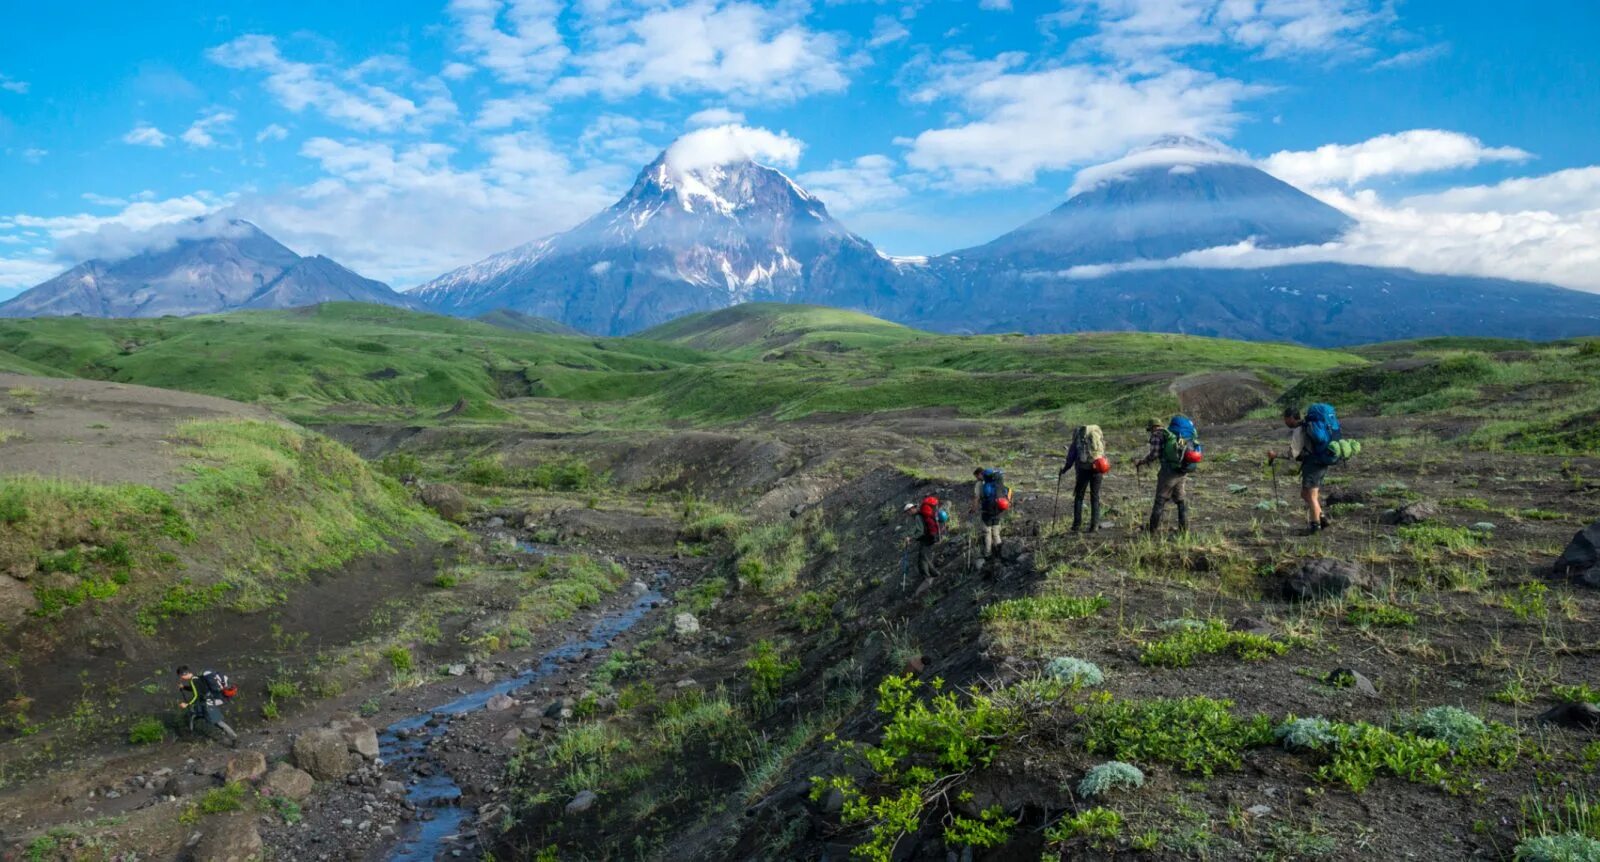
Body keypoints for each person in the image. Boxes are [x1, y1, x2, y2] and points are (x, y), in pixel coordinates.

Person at [1273, 406, 1331, 534]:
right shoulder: (1308, 426)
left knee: (1311, 495)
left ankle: (1315, 527)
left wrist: (1275, 455)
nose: (1285, 422)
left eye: (1286, 419)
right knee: (1305, 494)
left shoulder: (1300, 429)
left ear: (1291, 418)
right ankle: (1322, 518)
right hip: (1321, 462)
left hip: (1313, 464)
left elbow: (1292, 453)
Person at [1135, 417, 1196, 534]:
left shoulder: (1157, 435)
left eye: (1150, 429)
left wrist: (1142, 461)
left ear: (1153, 427)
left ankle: (1152, 530)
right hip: (1181, 470)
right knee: (1180, 500)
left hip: (1168, 472)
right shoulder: (1173, 435)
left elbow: (1154, 454)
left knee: (1160, 499)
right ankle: (1184, 529)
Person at [1059, 424, 1106, 532]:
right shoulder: (1096, 435)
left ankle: (1076, 525)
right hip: (1097, 468)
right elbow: (1102, 453)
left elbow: (1071, 457)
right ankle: (1094, 525)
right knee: (1095, 497)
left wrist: (1064, 470)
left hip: (1084, 469)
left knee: (1079, 496)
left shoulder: (1078, 439)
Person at [177, 665, 238, 745]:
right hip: (207, 702)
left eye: (181, 676)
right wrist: (184, 687)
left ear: (184, 674)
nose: (181, 679)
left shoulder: (193, 681)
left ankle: (233, 737)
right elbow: (197, 689)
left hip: (207, 704)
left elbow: (196, 695)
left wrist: (187, 704)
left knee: (217, 722)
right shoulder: (197, 678)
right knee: (194, 716)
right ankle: (191, 735)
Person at [902, 496, 945, 582]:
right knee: (924, 556)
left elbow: (920, 531)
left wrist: (911, 538)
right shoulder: (921, 514)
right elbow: (918, 528)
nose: (908, 514)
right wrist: (910, 535)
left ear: (911, 509)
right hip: (931, 536)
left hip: (928, 538)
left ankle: (927, 577)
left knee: (922, 557)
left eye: (908, 512)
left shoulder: (918, 516)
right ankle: (934, 573)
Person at [972, 468, 1010, 560]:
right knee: (996, 532)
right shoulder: (997, 483)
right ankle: (999, 552)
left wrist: (974, 508)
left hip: (987, 510)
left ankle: (988, 554)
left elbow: (977, 498)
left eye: (977, 476)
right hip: (998, 509)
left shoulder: (982, 485)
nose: (977, 478)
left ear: (980, 474)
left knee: (987, 532)